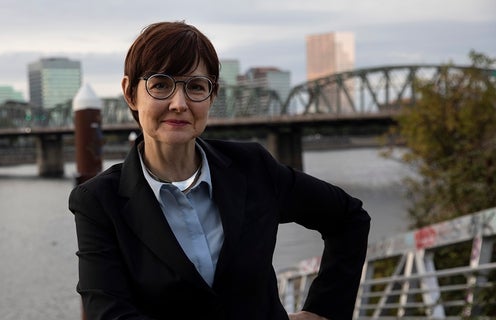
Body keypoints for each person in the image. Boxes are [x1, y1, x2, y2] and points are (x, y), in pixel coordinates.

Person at [68, 21, 371, 320]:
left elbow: (348, 218)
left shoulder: (253, 168)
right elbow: (109, 312)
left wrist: (324, 310)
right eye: (160, 84)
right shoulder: (99, 202)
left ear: (212, 96)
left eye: (196, 87)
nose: (179, 103)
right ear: (130, 93)